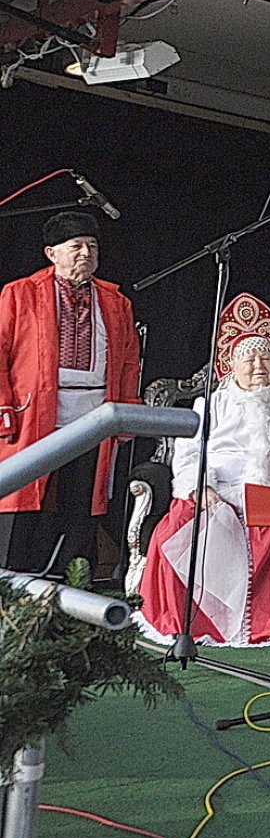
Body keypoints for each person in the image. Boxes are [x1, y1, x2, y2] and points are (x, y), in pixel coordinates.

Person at [138, 294, 270, 646]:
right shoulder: (210, 403)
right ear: (232, 365)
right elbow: (188, 454)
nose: (259, 365)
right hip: (219, 493)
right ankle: (195, 622)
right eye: (249, 358)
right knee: (175, 534)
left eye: (266, 357)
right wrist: (202, 488)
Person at [0, 210, 140, 576]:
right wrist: (3, 410)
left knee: (81, 506)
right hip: (34, 414)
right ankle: (17, 587)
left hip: (95, 416)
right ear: (52, 253)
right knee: (27, 500)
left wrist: (127, 411)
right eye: (75, 246)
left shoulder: (115, 302)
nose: (85, 253)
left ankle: (75, 586)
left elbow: (128, 363)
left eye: (92, 246)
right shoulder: (19, 294)